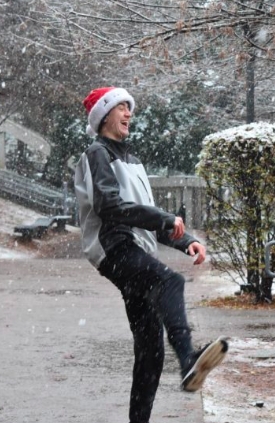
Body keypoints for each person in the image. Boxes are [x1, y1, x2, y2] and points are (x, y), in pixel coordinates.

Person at [74, 87, 228, 423]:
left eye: (130, 108)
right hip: (114, 247)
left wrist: (184, 239)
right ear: (103, 116)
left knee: (150, 350)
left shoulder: (133, 160)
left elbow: (147, 215)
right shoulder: (97, 154)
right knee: (169, 281)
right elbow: (110, 207)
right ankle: (189, 359)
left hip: (132, 249)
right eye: (121, 108)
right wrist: (163, 219)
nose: (129, 113)